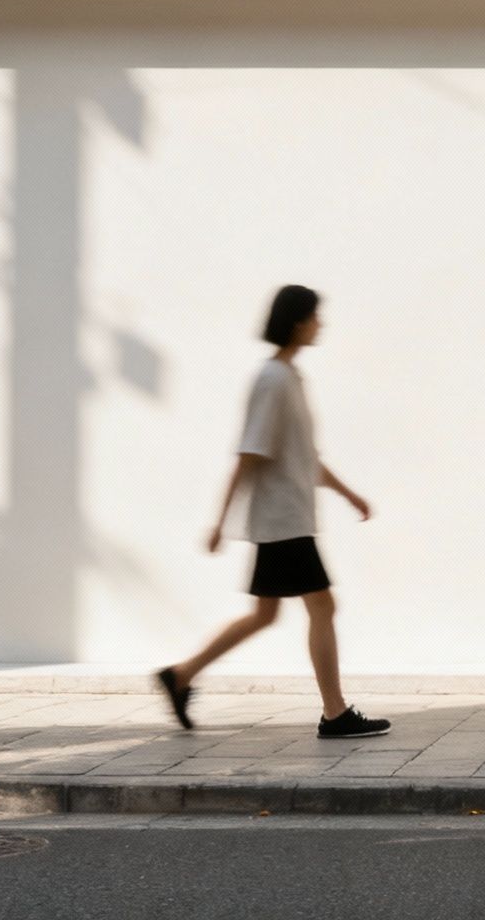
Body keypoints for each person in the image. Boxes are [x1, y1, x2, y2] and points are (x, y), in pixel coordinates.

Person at [156, 285, 389, 739]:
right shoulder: (273, 380)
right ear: (298, 322)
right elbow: (250, 453)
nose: (321, 324)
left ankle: (180, 675)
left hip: (288, 517)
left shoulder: (290, 378)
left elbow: (305, 458)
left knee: (266, 614)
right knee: (322, 605)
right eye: (315, 316)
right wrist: (220, 521)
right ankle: (335, 713)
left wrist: (348, 494)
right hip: (282, 520)